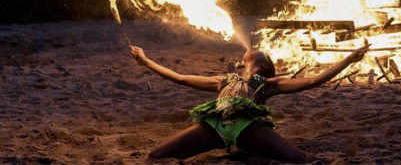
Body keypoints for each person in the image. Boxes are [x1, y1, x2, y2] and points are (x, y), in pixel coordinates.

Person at [130, 45, 369, 162]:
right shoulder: (222, 79)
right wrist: (144, 59)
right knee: (157, 155)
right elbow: (178, 77)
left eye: (262, 52)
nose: (256, 49)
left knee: (298, 159)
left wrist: (349, 59)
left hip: (247, 125)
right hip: (215, 124)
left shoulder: (268, 82)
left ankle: (250, 147)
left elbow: (314, 80)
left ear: (265, 65)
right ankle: (242, 147)